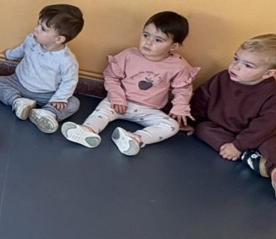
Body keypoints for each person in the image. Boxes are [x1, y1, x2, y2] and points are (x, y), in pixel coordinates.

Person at [60, 11, 198, 155]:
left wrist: (180, 108)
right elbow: (111, 77)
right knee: (102, 112)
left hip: (149, 110)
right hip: (119, 103)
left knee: (172, 126)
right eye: (146, 35)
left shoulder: (178, 65)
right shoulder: (128, 55)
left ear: (173, 46)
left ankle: (134, 138)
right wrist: (117, 98)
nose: (148, 42)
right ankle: (88, 130)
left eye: (158, 40)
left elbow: (183, 88)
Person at [190, 34, 276, 203]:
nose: (235, 67)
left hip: (268, 130)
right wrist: (191, 121)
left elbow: (266, 126)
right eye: (236, 59)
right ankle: (250, 158)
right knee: (203, 128)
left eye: (248, 65)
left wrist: (238, 145)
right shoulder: (222, 78)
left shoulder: (273, 97)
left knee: (272, 144)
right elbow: (202, 98)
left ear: (268, 73)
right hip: (230, 126)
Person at [0, 3, 83, 134]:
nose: (35, 29)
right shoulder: (31, 40)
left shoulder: (67, 60)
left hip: (46, 94)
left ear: (59, 39)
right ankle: (18, 102)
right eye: (38, 24)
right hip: (19, 82)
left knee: (73, 103)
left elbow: (69, 81)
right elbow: (22, 49)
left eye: (43, 29)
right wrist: (10, 54)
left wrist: (59, 98)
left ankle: (47, 113)